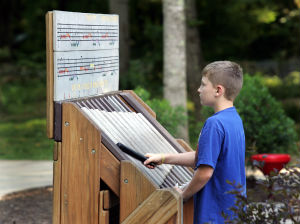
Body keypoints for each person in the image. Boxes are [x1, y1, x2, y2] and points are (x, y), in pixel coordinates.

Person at [144, 61, 246, 224]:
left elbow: (205, 172)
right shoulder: (234, 119)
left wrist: (181, 196)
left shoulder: (214, 124)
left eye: (203, 84)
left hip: (214, 214)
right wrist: (163, 158)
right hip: (233, 211)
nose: (199, 89)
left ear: (218, 90)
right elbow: (204, 157)